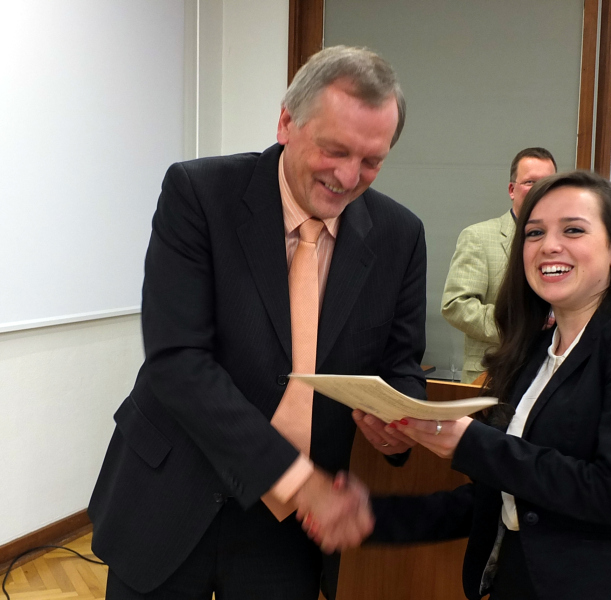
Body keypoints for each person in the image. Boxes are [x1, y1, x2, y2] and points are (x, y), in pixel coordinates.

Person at [87, 46, 426, 600]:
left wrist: (398, 425)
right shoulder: (199, 194)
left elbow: (401, 364)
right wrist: (298, 479)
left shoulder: (400, 235)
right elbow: (179, 362)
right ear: (287, 122)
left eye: (371, 161)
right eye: (335, 150)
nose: (348, 177)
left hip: (288, 533)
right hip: (171, 496)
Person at [369, 171, 611, 599]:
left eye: (573, 230)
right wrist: (371, 517)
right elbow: (503, 498)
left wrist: (470, 442)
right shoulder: (533, 352)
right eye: (534, 233)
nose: (549, 246)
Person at [441, 148, 556, 383]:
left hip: (551, 373)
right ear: (512, 190)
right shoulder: (478, 237)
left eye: (548, 183)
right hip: (493, 374)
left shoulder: (563, 244)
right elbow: (455, 305)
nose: (540, 190)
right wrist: (518, 324)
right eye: (530, 182)